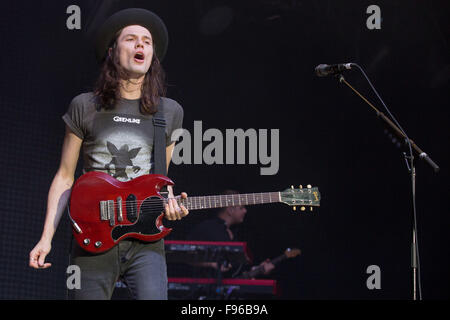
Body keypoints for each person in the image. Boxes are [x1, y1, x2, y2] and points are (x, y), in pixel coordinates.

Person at [28, 8, 189, 300]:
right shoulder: (84, 106)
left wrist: (171, 206)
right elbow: (65, 177)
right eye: (131, 39)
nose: (141, 45)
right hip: (91, 235)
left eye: (147, 41)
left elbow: (161, 182)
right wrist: (46, 238)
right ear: (112, 52)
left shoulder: (170, 112)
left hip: (146, 242)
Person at [186, 190, 275, 279]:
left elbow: (236, 274)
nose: (245, 211)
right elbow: (186, 256)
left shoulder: (234, 233)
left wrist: (257, 270)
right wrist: (212, 264)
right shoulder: (206, 228)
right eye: (241, 208)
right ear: (230, 210)